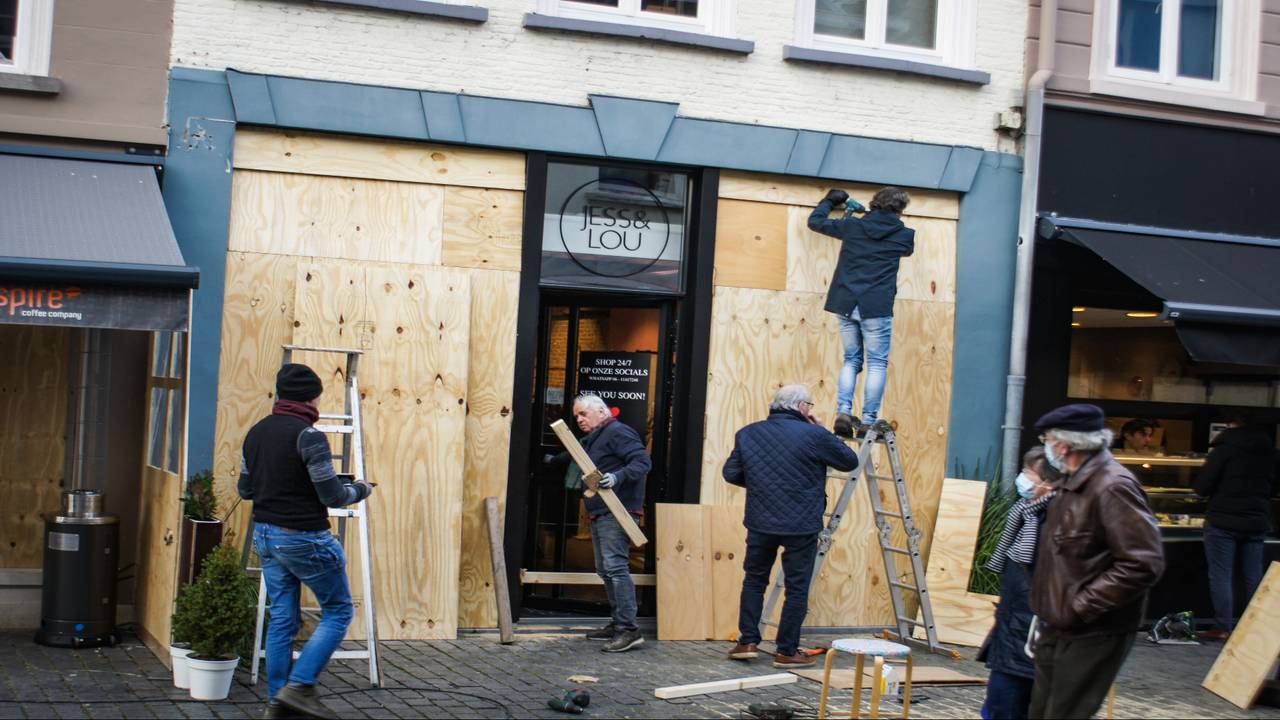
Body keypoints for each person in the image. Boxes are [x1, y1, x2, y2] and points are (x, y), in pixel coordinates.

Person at [238, 364, 374, 720]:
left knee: (283, 618)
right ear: (311, 397)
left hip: (266, 535)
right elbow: (331, 495)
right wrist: (361, 489)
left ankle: (276, 705)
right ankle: (299, 686)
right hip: (303, 537)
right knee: (339, 610)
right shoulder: (309, 436)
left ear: (281, 395)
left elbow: (245, 489)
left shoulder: (255, 434)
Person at [1028, 403, 1165, 720]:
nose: (1045, 445)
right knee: (1041, 712)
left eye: (1047, 438)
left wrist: (1080, 606)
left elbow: (1143, 562)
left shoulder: (1112, 486)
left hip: (1092, 629)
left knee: (1064, 713)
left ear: (1064, 444)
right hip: (1058, 624)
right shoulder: (1072, 482)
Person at [722, 384, 859, 668]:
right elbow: (849, 461)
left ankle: (747, 641)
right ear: (801, 407)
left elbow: (731, 472)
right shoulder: (814, 435)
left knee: (754, 580)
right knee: (796, 587)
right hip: (801, 524)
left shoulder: (748, 433)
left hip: (760, 521)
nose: (812, 409)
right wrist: (822, 429)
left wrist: (764, 486)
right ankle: (786, 651)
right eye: (810, 404)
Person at [547, 393, 652, 653]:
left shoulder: (619, 432)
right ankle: (619, 623)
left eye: (583, 414)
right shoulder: (595, 438)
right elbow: (576, 452)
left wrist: (616, 477)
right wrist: (550, 460)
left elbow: (642, 462)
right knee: (606, 570)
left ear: (602, 412)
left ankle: (629, 630)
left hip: (618, 511)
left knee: (615, 568)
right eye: (577, 416)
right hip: (600, 510)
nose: (579, 419)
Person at [807, 187, 915, 437]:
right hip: (876, 306)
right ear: (900, 210)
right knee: (877, 363)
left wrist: (831, 201)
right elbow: (906, 251)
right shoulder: (904, 235)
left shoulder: (852, 227)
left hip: (845, 301)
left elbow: (816, 222)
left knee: (851, 359)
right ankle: (868, 420)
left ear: (874, 203)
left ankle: (843, 412)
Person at [978, 447, 1060, 720]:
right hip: (1014, 629)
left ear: (1048, 483)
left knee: (1011, 706)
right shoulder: (1027, 514)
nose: (1021, 478)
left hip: (1031, 636)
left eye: (1028, 473)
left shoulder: (1054, 523)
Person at [1192, 416, 1280, 641]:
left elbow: (1202, 487)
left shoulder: (1224, 450)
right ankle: (1255, 626)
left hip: (1222, 521)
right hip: (1256, 521)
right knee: (1253, 575)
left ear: (1231, 427)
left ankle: (1222, 627)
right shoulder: (1270, 452)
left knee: (1221, 574)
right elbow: (1274, 488)